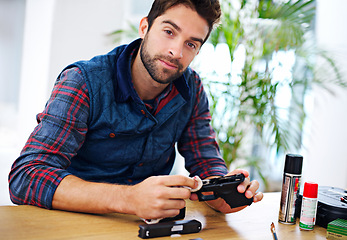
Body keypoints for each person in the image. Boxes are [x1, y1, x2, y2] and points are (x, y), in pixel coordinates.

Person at [9, 0, 263, 220]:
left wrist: (222, 191)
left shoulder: (192, 88)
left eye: (191, 44)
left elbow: (205, 159)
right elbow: (26, 177)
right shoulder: (83, 82)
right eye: (169, 32)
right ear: (144, 27)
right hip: (73, 222)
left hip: (146, 226)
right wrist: (129, 199)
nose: (176, 51)